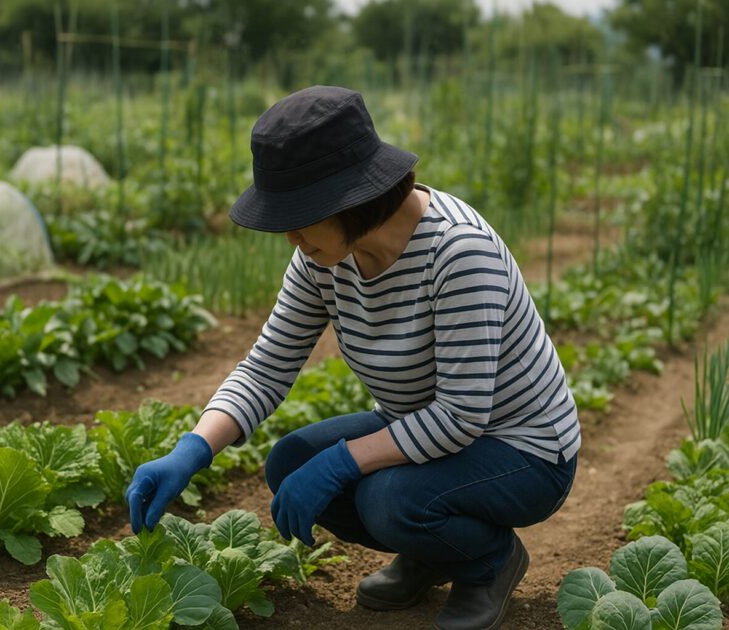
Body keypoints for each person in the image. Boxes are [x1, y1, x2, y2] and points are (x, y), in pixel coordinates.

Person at [126, 85, 579, 630]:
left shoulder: (458, 252)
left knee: (389, 500)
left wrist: (341, 461)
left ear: (352, 198)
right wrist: (192, 450)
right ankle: (434, 552)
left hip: (524, 448)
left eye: (301, 216)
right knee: (290, 462)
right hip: (427, 428)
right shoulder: (324, 256)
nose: (291, 237)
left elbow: (461, 416)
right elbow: (268, 365)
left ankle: (488, 561)